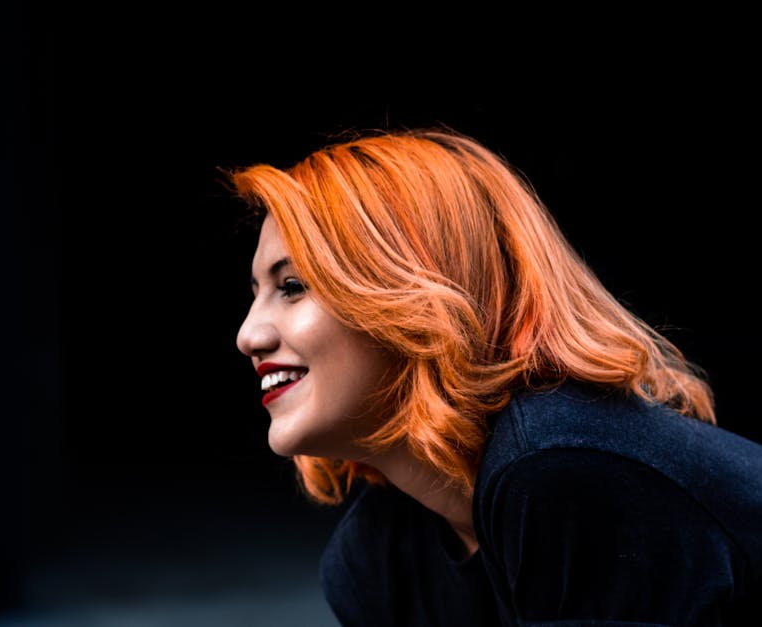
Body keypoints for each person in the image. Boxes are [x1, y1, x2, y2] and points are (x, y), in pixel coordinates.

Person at [229, 125, 762, 626]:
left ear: (417, 293)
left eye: (294, 285)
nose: (248, 336)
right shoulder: (374, 558)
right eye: (256, 295)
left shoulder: (560, 462)